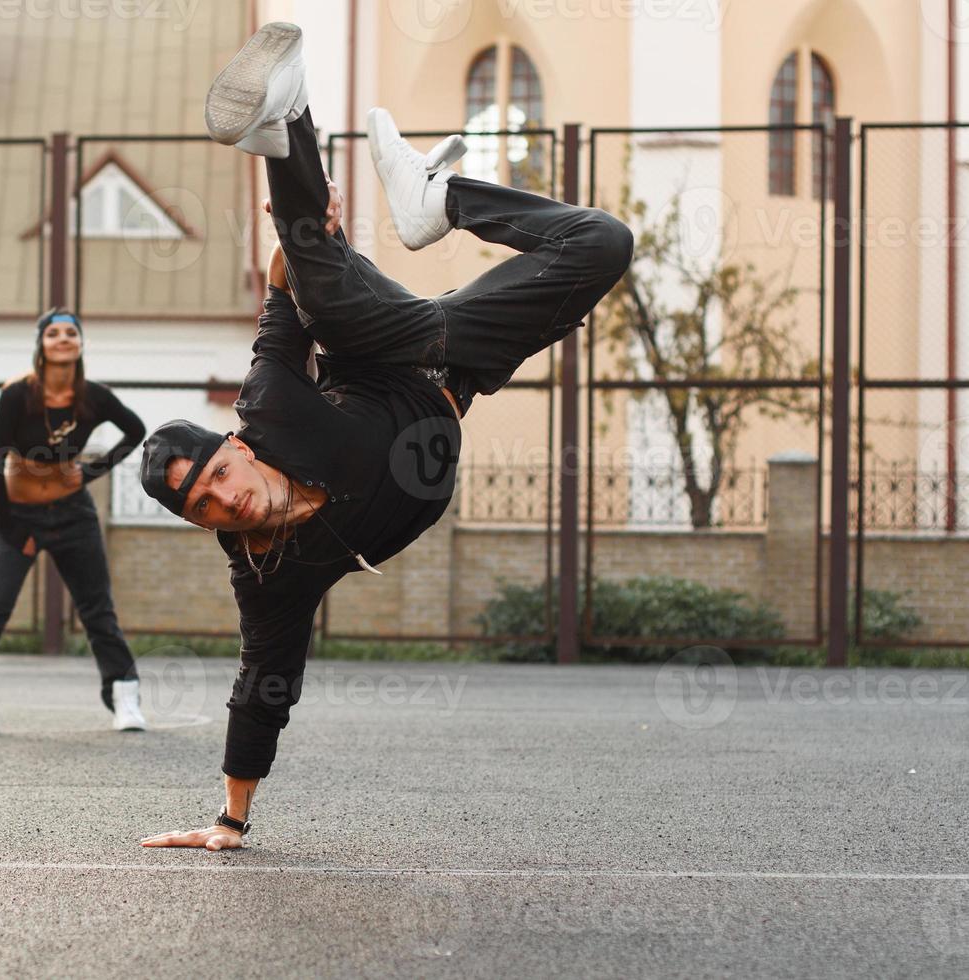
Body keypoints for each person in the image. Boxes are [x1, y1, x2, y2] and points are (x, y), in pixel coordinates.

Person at [137, 23, 633, 849]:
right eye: (207, 507)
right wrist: (231, 818)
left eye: (220, 473)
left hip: (376, 338)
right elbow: (264, 682)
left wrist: (304, 241)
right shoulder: (270, 573)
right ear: (202, 524)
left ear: (238, 447)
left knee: (314, 277)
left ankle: (289, 119)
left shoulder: (270, 408)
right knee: (602, 242)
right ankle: (438, 200)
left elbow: (278, 309)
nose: (228, 498)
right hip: (455, 361)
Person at [0, 309, 148, 734]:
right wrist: (11, 526)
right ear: (42, 345)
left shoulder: (94, 397)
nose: (63, 338)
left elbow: (136, 430)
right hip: (20, 516)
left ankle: (126, 699)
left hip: (74, 514)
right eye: (53, 333)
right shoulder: (18, 394)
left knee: (97, 609)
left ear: (80, 343)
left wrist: (90, 471)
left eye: (71, 332)